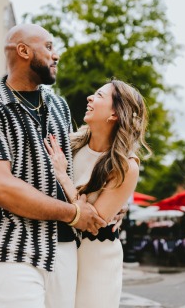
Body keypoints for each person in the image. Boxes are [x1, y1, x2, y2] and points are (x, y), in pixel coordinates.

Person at [0, 23, 109, 308]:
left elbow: (78, 167)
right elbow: (0, 189)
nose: (55, 55)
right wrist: (73, 214)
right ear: (23, 51)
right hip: (13, 247)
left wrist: (110, 198)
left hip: (65, 248)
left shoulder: (60, 106)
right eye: (48, 47)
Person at [44, 79, 151, 308]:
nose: (90, 98)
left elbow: (92, 222)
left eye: (100, 96)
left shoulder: (124, 166)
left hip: (98, 260)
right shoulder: (70, 145)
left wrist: (63, 177)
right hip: (61, 251)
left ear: (114, 114)